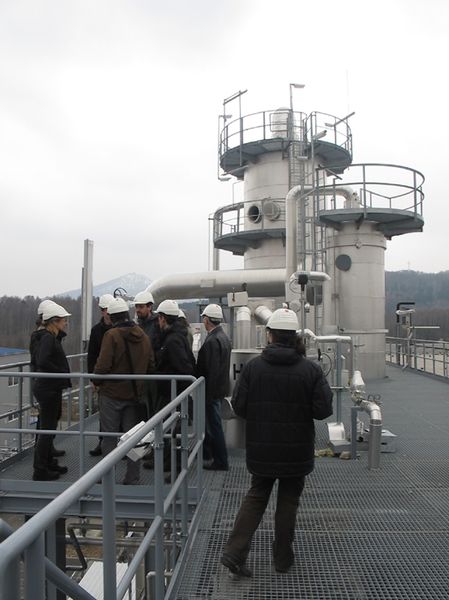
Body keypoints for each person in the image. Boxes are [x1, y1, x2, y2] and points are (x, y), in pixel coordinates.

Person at [221, 308, 333, 577]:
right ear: (295, 336)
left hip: (261, 448)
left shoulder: (253, 368)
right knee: (288, 502)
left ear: (269, 335)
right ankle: (282, 559)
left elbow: (240, 407)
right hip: (297, 450)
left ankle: (234, 553)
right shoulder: (311, 370)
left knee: (256, 496)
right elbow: (323, 410)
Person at [94, 297, 154, 485]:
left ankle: (108, 477)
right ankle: (133, 476)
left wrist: (96, 380)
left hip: (111, 394)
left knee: (110, 437)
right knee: (135, 438)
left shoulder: (111, 335)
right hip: (135, 394)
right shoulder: (143, 335)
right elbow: (151, 364)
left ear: (112, 317)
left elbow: (103, 365)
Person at [32, 303, 72, 481]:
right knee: (47, 430)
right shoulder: (48, 338)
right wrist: (60, 372)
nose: (66, 323)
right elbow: (42, 361)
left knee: (48, 427)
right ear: (54, 321)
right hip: (48, 388)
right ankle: (40, 470)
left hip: (49, 387)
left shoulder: (50, 337)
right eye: (63, 320)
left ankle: (48, 462)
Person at [196, 303, 231, 471]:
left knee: (214, 426)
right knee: (215, 425)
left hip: (211, 392)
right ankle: (213, 455)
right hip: (219, 390)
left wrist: (207, 395)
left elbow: (211, 370)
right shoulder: (223, 337)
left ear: (207, 320)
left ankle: (220, 460)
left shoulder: (212, 341)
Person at [87, 293, 114, 456]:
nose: (107, 313)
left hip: (118, 377)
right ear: (102, 311)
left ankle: (121, 444)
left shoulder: (119, 328)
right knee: (104, 412)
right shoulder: (96, 331)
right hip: (103, 378)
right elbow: (92, 355)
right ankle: (103, 442)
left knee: (121, 412)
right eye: (105, 310)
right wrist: (93, 378)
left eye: (109, 309)